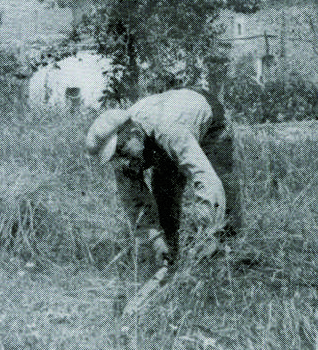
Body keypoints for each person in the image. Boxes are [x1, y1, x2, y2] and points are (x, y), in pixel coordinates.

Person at [85, 87, 240, 274]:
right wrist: (155, 240)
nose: (122, 160)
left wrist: (207, 233)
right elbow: (136, 204)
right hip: (160, 127)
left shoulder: (170, 131)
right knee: (164, 196)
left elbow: (205, 178)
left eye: (121, 151)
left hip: (206, 117)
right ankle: (171, 261)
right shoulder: (125, 155)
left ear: (134, 132)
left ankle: (230, 258)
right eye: (114, 157)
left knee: (222, 189)